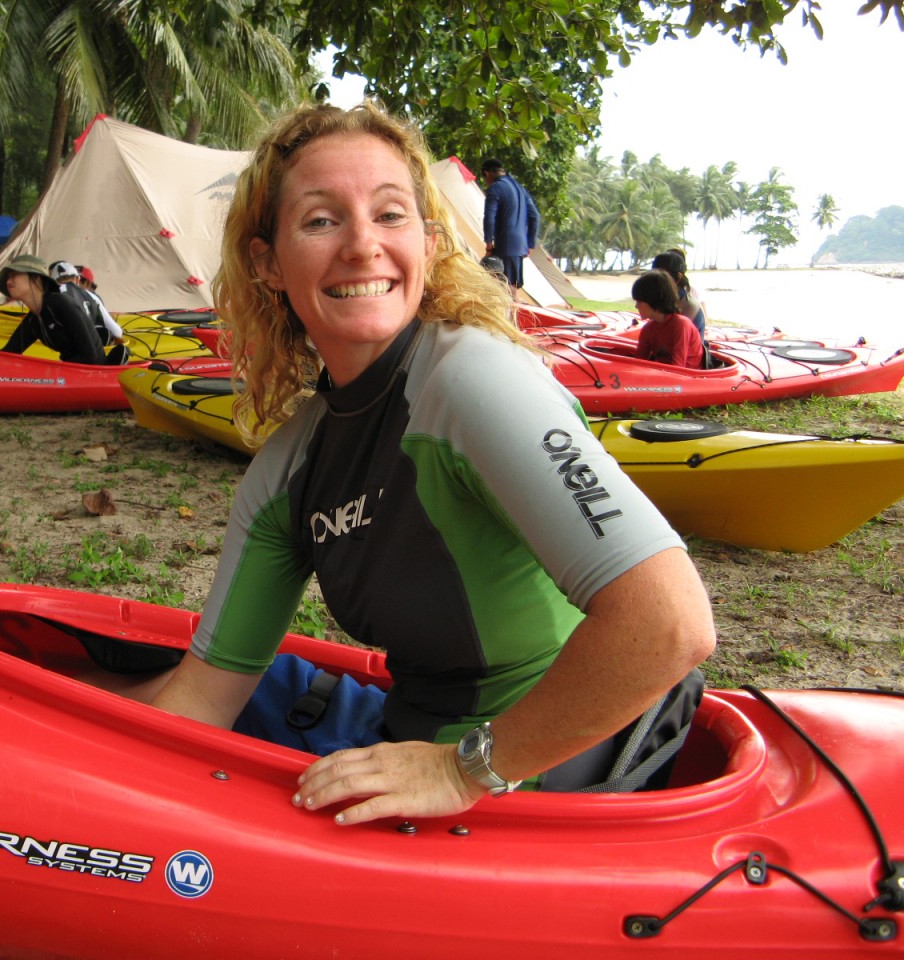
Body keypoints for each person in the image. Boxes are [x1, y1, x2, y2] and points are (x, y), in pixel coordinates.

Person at [138, 101, 715, 827]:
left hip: (550, 769)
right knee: (141, 677)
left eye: (389, 215)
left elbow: (671, 625)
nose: (361, 247)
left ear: (430, 242)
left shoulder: (473, 382)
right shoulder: (290, 469)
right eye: (321, 220)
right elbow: (202, 699)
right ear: (267, 263)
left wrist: (465, 768)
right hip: (410, 743)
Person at [0, 254, 105, 364]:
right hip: (70, 374)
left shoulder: (59, 303)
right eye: (8, 277)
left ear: (36, 278)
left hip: (95, 374)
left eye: (14, 275)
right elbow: (8, 353)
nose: (9, 281)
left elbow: (90, 356)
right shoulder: (34, 319)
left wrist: (55, 370)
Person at [480, 158, 540, 291]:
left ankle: (508, 312)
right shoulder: (520, 189)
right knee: (513, 287)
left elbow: (489, 218)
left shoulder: (495, 188)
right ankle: (513, 311)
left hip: (505, 245)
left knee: (503, 290)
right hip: (520, 248)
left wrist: (489, 244)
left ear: (487, 173)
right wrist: (530, 243)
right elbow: (535, 216)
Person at [632, 270, 705, 369]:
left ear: (654, 300)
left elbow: (677, 368)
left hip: (688, 379)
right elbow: (638, 363)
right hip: (665, 376)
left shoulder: (681, 325)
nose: (636, 306)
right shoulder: (648, 329)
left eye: (639, 302)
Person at [50, 260, 125, 345]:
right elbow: (117, 331)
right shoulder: (94, 298)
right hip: (90, 345)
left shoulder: (50, 296)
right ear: (77, 279)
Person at [651, 250, 707, 339]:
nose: (656, 282)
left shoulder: (689, 305)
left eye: (662, 277)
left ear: (678, 277)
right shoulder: (665, 299)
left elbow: (675, 342)